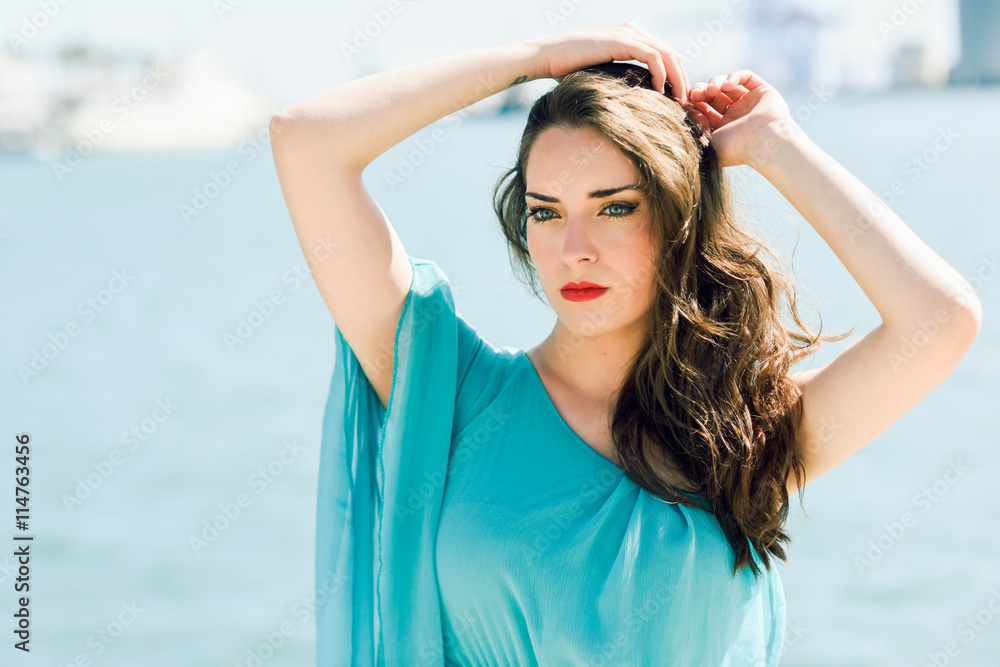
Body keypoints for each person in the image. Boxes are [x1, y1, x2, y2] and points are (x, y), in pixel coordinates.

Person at [269, 22, 982, 666]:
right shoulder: (449, 389)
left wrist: (776, 146)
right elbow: (307, 142)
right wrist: (536, 59)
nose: (573, 249)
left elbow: (941, 317)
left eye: (614, 207)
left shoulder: (739, 438)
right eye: (547, 212)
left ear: (675, 214)